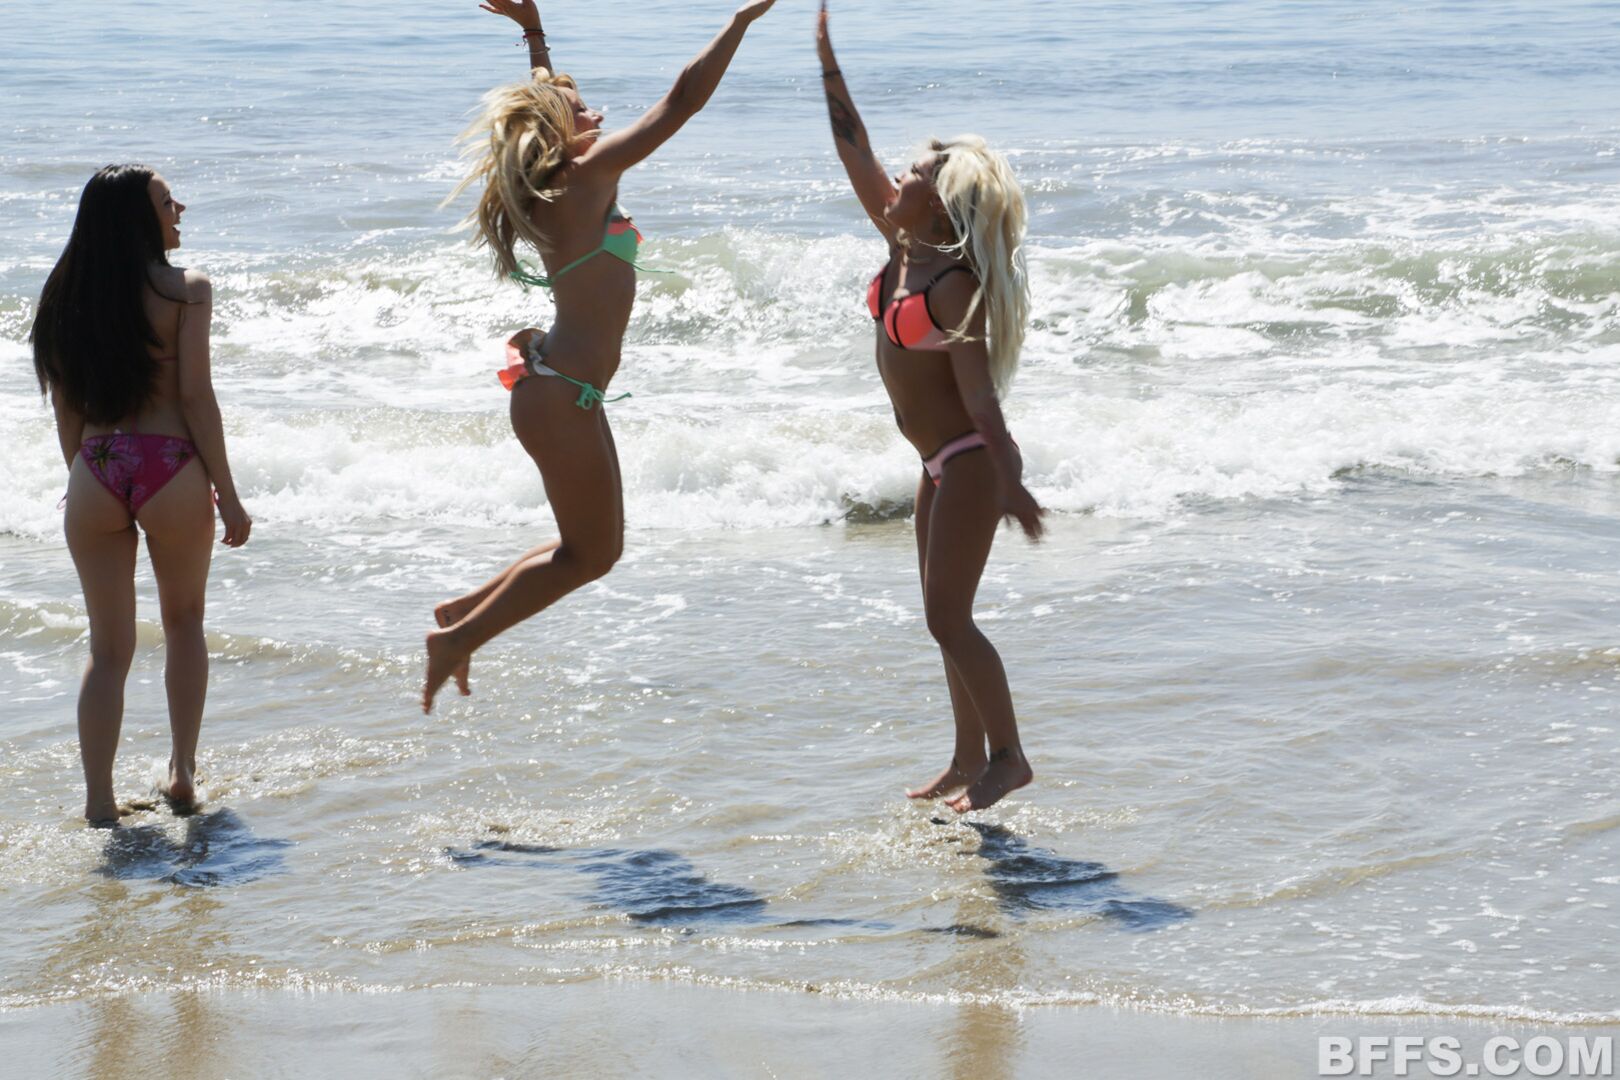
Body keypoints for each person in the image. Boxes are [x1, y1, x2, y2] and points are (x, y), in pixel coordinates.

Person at [424, 0, 776, 713]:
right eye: (584, 112)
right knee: (591, 555)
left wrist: (533, 29)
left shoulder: (565, 175)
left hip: (565, 389)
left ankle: (463, 612)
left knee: (591, 547)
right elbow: (680, 102)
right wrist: (741, 22)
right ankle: (458, 637)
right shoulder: (581, 180)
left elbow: (549, 95)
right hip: (557, 395)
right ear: (558, 135)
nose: (598, 114)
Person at [816, 2, 1045, 812]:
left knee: (952, 620)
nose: (898, 180)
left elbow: (983, 403)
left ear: (941, 204)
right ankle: (963, 757)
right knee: (939, 620)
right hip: (935, 466)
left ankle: (1008, 757)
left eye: (913, 177)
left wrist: (1011, 484)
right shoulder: (904, 247)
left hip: (971, 465)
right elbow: (855, 154)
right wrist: (827, 63)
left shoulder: (953, 288)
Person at [31, 165, 252, 826]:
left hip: (96, 469)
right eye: (165, 201)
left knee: (107, 652)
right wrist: (229, 495)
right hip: (172, 467)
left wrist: (87, 477)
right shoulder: (186, 291)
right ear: (138, 220)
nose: (179, 207)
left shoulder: (67, 296)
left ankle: (99, 803)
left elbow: (66, 412)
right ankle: (182, 776)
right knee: (183, 622)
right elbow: (193, 398)